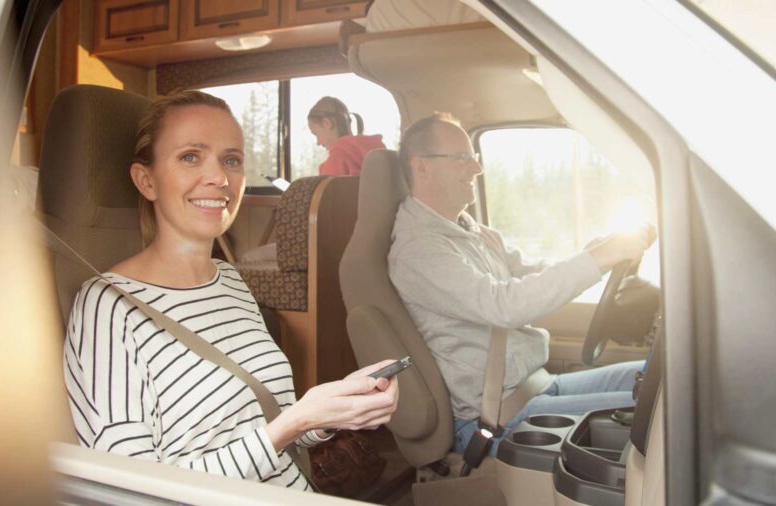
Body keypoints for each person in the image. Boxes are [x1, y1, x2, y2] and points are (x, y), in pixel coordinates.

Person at [63, 91, 399, 491]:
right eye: (191, 156)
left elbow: (271, 427)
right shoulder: (107, 307)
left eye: (231, 160)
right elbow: (133, 489)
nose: (220, 179)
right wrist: (297, 421)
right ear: (146, 180)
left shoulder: (231, 281)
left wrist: (329, 413)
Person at [387, 113, 655, 455]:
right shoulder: (418, 250)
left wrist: (603, 251)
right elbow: (504, 304)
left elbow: (532, 274)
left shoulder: (472, 232)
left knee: (658, 379)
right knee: (660, 411)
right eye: (463, 158)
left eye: (476, 158)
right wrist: (600, 257)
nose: (477, 169)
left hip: (536, 387)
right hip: (497, 418)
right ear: (422, 167)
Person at [308, 96, 386, 176]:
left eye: (316, 134)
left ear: (327, 123)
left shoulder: (335, 162)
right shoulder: (381, 153)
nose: (318, 142)